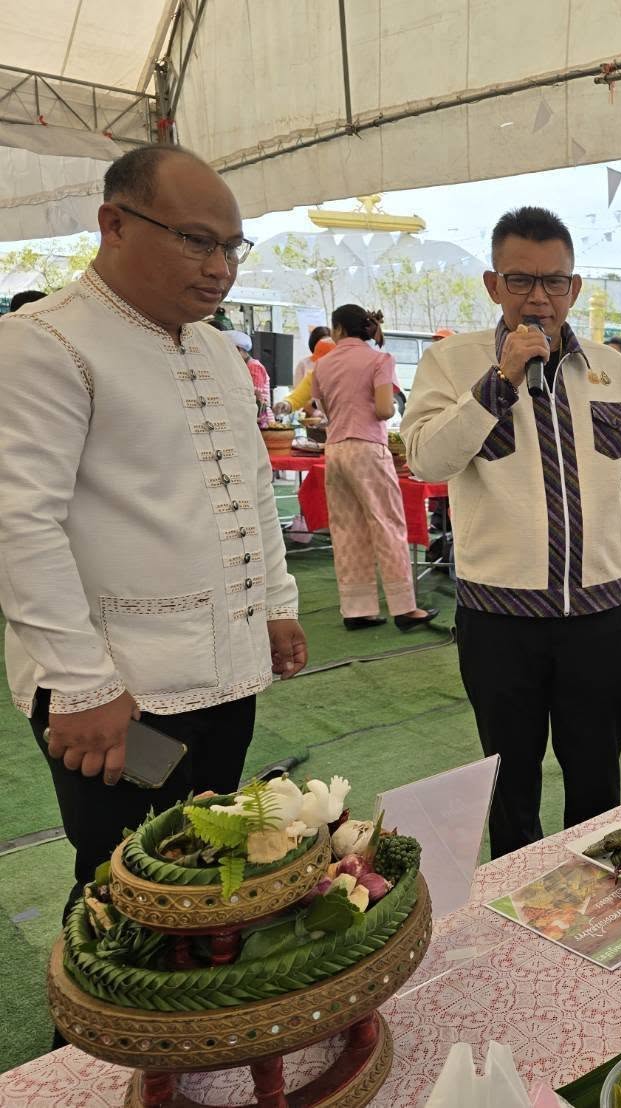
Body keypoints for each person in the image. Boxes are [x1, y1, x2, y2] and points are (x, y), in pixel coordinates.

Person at [0, 145, 305, 907]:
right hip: (119, 694)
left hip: (227, 674)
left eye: (230, 247)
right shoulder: (45, 343)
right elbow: (18, 526)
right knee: (124, 879)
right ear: (114, 224)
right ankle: (91, 1033)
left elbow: (249, 487)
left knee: (213, 860)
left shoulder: (217, 351)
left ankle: (196, 1024)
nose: (220, 267)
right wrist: (81, 688)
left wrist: (276, 604)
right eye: (196, 240)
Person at [400, 205, 621, 858]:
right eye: (520, 281)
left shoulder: (612, 369)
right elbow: (428, 458)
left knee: (597, 774)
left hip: (595, 616)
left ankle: (601, 895)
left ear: (574, 288)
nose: (538, 298)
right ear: (493, 286)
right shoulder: (450, 363)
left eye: (554, 282)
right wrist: (503, 379)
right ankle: (519, 917)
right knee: (510, 784)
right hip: (499, 621)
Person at [312, 304, 437, 632]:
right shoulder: (379, 360)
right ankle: (405, 608)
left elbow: (324, 409)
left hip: (335, 450)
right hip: (367, 448)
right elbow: (384, 409)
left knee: (346, 528)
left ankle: (357, 610)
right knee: (387, 525)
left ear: (338, 330)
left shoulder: (322, 365)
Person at [226, 330, 272, 427]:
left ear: (238, 349)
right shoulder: (244, 366)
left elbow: (255, 396)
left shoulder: (254, 366)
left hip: (261, 421)